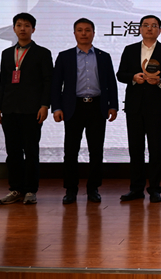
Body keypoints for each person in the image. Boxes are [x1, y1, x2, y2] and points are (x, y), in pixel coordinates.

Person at [51, 18, 119, 204]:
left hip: (97, 107)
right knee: (70, 151)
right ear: (74, 33)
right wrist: (56, 108)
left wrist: (113, 105)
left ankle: (93, 188)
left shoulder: (104, 56)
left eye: (87, 30)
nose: (83, 33)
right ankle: (70, 190)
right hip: (73, 107)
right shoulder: (64, 56)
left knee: (96, 151)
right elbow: (56, 85)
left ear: (93, 33)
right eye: (79, 30)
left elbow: (111, 83)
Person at [0, 12, 53, 205]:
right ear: (14, 28)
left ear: (33, 29)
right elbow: (2, 82)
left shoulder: (43, 53)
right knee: (13, 152)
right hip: (9, 109)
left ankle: (30, 190)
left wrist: (45, 105)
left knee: (31, 151)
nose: (22, 29)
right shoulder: (6, 54)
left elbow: (48, 82)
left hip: (32, 110)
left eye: (27, 25)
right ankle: (16, 189)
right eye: (19, 25)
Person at [117, 15, 161, 203]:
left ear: (159, 30)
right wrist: (133, 78)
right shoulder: (130, 50)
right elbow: (120, 74)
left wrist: (159, 81)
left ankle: (155, 189)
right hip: (134, 107)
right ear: (140, 29)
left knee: (155, 149)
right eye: (146, 25)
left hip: (155, 107)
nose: (149, 28)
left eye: (154, 26)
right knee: (135, 149)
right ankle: (136, 189)